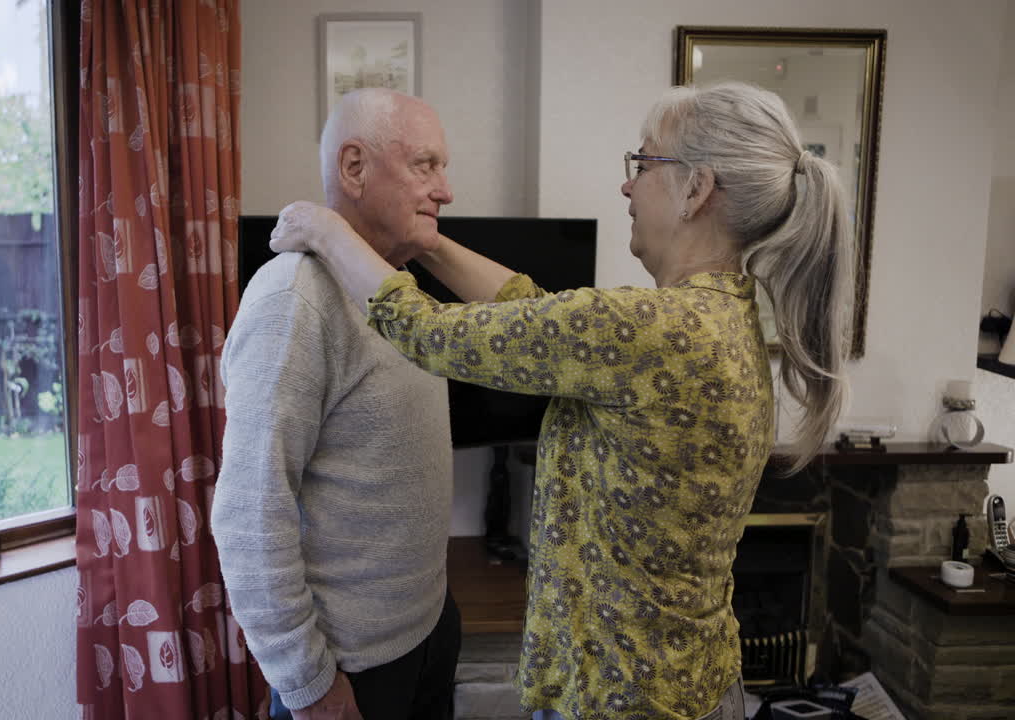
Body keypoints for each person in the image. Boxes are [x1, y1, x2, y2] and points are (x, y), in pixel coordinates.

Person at [270, 81, 854, 719]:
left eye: (643, 163)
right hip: (687, 681)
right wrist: (429, 243)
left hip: (628, 699)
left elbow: (427, 331)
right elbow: (539, 317)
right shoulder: (720, 317)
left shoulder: (658, 329)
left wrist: (326, 230)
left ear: (696, 189)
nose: (627, 186)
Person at [211, 88, 460, 720]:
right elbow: (249, 514)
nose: (446, 190)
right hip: (353, 666)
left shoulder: (399, 290)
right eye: (425, 166)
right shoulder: (293, 299)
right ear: (354, 168)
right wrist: (307, 683)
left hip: (429, 628)